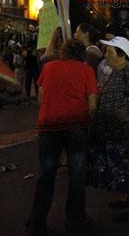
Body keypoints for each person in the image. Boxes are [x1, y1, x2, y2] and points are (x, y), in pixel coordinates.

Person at [27, 39, 98, 235]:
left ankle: (37, 222)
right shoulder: (86, 71)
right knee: (77, 174)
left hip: (48, 125)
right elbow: (92, 103)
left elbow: (41, 98)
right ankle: (75, 219)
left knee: (46, 174)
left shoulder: (48, 68)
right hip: (76, 125)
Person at [88, 36, 129, 223]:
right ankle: (126, 198)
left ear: (121, 55)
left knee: (125, 166)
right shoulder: (116, 71)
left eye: (109, 52)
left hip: (122, 131)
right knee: (118, 166)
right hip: (113, 130)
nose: (106, 55)